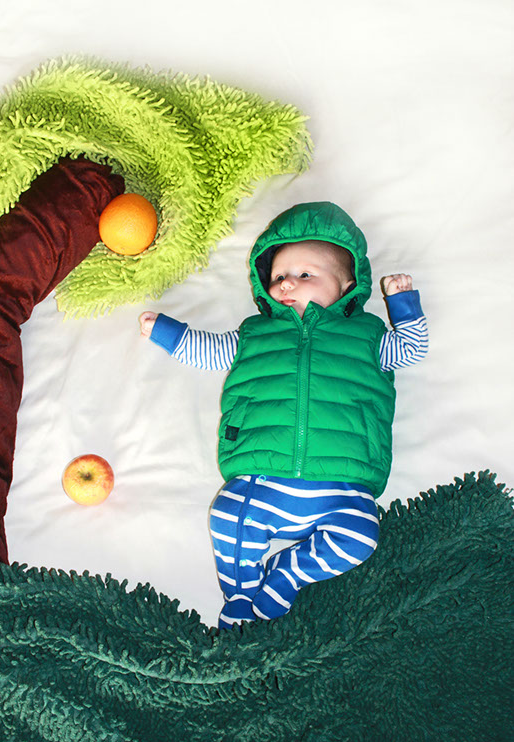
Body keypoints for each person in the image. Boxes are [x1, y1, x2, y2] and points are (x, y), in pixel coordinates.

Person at [139, 202, 428, 629]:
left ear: (347, 285)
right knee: (228, 517)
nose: (287, 283)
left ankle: (287, 575)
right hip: (262, 475)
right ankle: (241, 595)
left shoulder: (367, 337)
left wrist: (402, 304)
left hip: (343, 483)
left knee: (362, 535)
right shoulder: (256, 334)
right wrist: (167, 332)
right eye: (278, 277)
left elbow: (412, 349)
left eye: (305, 275)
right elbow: (210, 351)